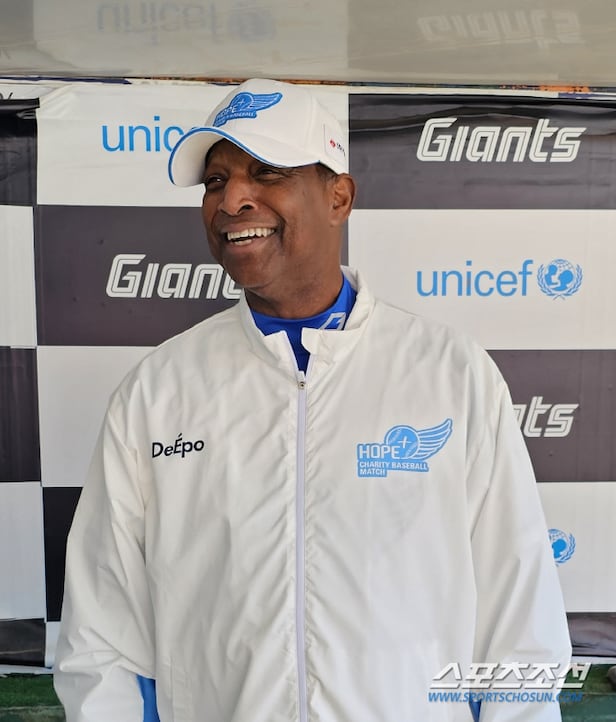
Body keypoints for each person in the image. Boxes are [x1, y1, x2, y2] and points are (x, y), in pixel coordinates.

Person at [54, 78, 572, 722]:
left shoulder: (450, 374)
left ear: (338, 197)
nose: (231, 199)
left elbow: (519, 618)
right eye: (215, 181)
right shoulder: (157, 392)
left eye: (266, 172)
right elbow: (100, 638)